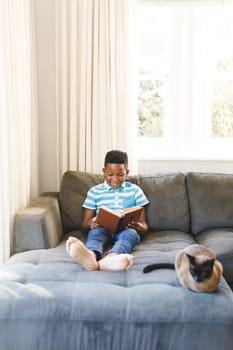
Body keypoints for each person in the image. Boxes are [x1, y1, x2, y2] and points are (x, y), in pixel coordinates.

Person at [66, 150, 149, 271]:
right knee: (95, 233)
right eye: (110, 174)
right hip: (102, 227)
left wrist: (138, 226)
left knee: (129, 235)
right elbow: (84, 225)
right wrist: (91, 222)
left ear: (127, 172)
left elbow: (144, 226)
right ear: (104, 172)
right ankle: (91, 256)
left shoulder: (135, 190)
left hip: (125, 229)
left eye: (120, 174)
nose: (115, 179)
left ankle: (112, 257)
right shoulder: (94, 191)